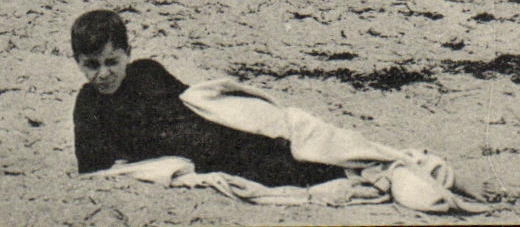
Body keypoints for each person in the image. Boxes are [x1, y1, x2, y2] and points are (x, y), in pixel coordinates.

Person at [71, 10, 343, 187]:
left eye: (112, 62)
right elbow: (92, 167)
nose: (103, 74)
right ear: (78, 63)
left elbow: (195, 100)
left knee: (283, 146)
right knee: (281, 173)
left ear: (128, 54)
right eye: (92, 65)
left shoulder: (147, 72)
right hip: (198, 158)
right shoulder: (88, 105)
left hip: (214, 134)